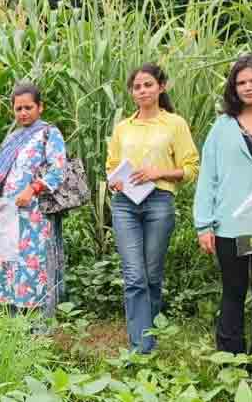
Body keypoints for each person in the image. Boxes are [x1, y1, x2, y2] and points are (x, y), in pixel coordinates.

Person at [106, 63, 199, 354]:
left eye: (148, 85)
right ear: (131, 92)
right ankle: (141, 348)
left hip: (159, 201)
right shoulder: (123, 127)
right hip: (125, 204)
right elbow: (111, 165)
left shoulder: (175, 124)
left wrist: (158, 172)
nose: (142, 91)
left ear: (161, 87)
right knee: (134, 275)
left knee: (152, 275)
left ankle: (149, 337)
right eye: (137, 87)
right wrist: (114, 181)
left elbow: (190, 168)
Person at [194, 54, 252, 371]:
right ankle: (231, 364)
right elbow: (208, 177)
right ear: (233, 88)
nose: (248, 87)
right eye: (242, 82)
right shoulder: (222, 127)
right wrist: (203, 224)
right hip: (230, 225)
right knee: (234, 291)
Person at [0, 84, 67, 317]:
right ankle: (12, 322)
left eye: (28, 107)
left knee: (33, 264)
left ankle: (38, 323)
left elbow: (58, 169)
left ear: (40, 107)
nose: (23, 113)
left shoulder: (49, 134)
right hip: (7, 212)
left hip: (35, 214)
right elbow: (1, 173)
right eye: (18, 109)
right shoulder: (12, 138)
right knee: (8, 264)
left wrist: (32, 189)